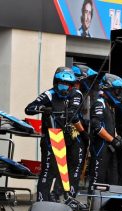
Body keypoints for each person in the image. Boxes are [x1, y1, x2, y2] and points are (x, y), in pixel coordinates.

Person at [25, 67, 87, 201]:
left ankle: (69, 200)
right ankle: (42, 202)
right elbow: (29, 108)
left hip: (72, 138)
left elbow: (73, 112)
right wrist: (43, 108)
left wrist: (83, 133)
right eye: (61, 83)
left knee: (72, 169)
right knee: (48, 171)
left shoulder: (77, 93)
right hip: (52, 136)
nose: (65, 87)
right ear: (55, 82)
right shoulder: (49, 94)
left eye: (68, 84)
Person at [89, 73, 122, 190]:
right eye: (117, 90)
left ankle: (109, 204)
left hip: (110, 148)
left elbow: (110, 126)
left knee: (113, 178)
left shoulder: (110, 106)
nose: (119, 94)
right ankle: (92, 204)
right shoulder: (99, 103)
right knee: (99, 178)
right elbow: (96, 125)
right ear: (108, 89)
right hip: (100, 148)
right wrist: (112, 140)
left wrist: (118, 138)